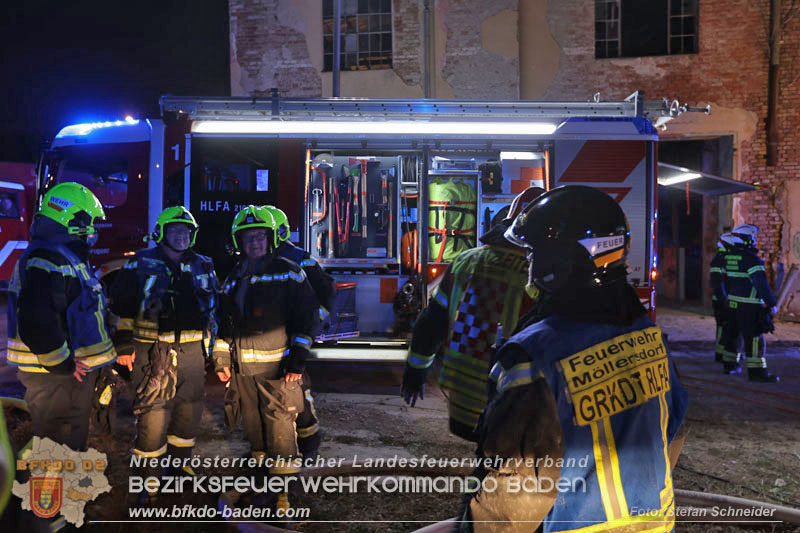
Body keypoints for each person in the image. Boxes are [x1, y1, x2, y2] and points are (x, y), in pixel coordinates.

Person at [459, 185, 688, 532]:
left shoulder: (532, 356)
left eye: (534, 253)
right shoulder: (650, 338)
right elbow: (670, 434)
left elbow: (511, 495)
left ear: (565, 261)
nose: (530, 264)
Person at [401, 187, 545, 442]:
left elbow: (430, 323)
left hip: (461, 399)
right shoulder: (542, 276)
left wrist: (415, 372)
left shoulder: (465, 261)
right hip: (513, 397)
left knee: (489, 457)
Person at [212, 205, 318, 514]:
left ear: (270, 239)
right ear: (239, 242)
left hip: (278, 370)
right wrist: (221, 359)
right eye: (248, 238)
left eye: (260, 236)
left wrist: (297, 361)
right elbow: (224, 323)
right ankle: (262, 482)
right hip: (243, 371)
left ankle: (281, 494)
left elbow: (306, 317)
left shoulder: (288, 270)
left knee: (280, 430)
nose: (254, 242)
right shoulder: (235, 276)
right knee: (255, 429)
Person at [109, 206, 219, 501]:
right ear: (161, 233)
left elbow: (215, 309)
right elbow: (120, 305)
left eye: (186, 231)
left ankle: (179, 468)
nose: (181, 235)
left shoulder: (204, 264)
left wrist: (215, 350)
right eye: (175, 230)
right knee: (153, 416)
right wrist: (124, 345)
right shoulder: (141, 262)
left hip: (193, 353)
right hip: (152, 353)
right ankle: (148, 482)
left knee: (189, 412)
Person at [6, 182, 117, 452]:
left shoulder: (62, 256)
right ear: (72, 220)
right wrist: (62, 364)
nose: (93, 231)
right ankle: (56, 483)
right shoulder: (49, 259)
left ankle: (65, 481)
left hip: (63, 375)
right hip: (55, 377)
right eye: (89, 223)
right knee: (57, 448)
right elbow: (37, 320)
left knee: (66, 444)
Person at [263, 204, 334, 458]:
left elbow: (326, 293)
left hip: (293, 339)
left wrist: (310, 324)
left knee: (298, 392)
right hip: (268, 341)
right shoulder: (258, 260)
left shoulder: (298, 258)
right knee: (270, 397)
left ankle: (309, 443)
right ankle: (272, 447)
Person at [722, 224, 779, 382]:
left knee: (733, 335)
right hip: (749, 306)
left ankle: (730, 365)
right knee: (754, 339)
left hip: (732, 304)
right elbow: (761, 284)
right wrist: (771, 303)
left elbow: (725, 281)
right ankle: (757, 372)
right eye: (753, 237)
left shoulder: (729, 258)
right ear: (747, 239)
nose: (755, 240)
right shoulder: (753, 260)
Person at [710, 232, 743, 365]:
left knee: (724, 327)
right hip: (722, 300)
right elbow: (717, 282)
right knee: (723, 326)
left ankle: (722, 353)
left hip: (724, 298)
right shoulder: (720, 259)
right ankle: (721, 354)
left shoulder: (722, 257)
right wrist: (723, 299)